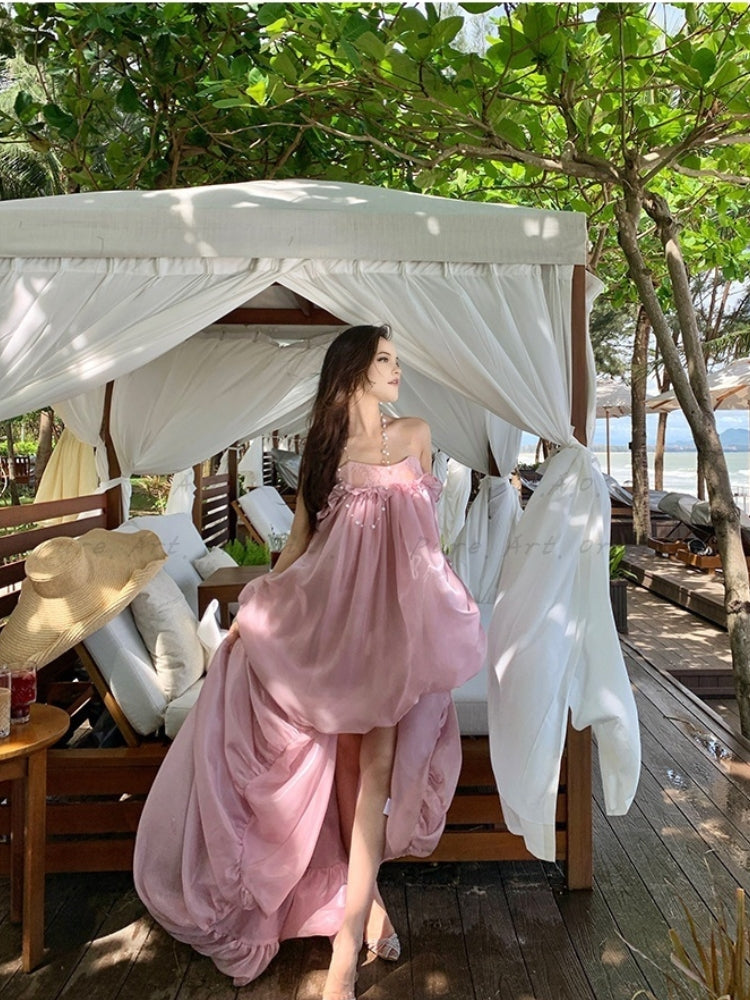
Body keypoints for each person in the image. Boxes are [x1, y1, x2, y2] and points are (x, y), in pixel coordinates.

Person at [134, 324, 486, 999]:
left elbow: (428, 546)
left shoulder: (416, 434)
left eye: (397, 360)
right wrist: (255, 617)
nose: (398, 370)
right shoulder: (326, 454)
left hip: (396, 636)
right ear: (353, 371)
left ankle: (347, 949)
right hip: (338, 635)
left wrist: (442, 612)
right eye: (385, 360)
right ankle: (367, 910)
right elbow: (299, 546)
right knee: (350, 774)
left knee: (373, 777)